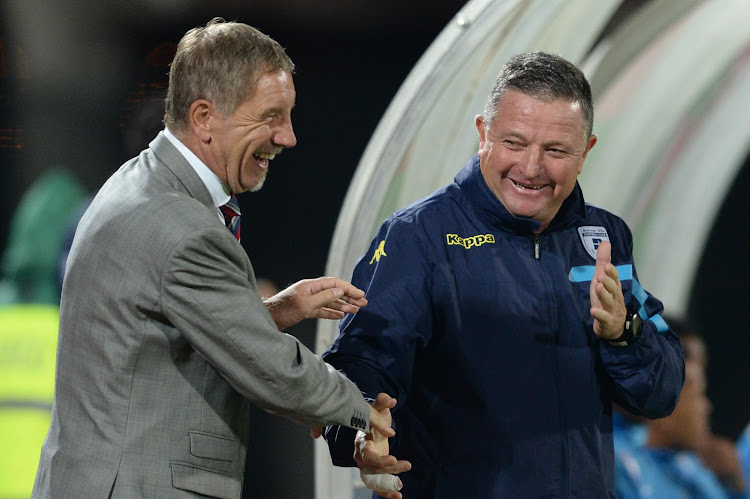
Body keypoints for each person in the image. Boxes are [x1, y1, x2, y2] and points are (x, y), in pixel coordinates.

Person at [32, 18, 402, 498]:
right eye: (270, 116)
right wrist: (363, 411)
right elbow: (271, 371)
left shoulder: (140, 184)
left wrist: (278, 310)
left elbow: (178, 333)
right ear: (205, 116)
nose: (287, 137)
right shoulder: (180, 226)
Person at [322, 52, 685, 497]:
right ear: (483, 134)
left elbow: (662, 393)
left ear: (586, 151)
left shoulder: (605, 238)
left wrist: (623, 334)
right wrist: (359, 434)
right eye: (514, 143)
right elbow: (360, 364)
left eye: (555, 150)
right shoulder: (418, 237)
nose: (531, 168)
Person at [616, 317, 748, 498]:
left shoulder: (689, 465)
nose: (706, 407)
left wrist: (736, 486)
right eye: (698, 394)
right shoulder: (614, 457)